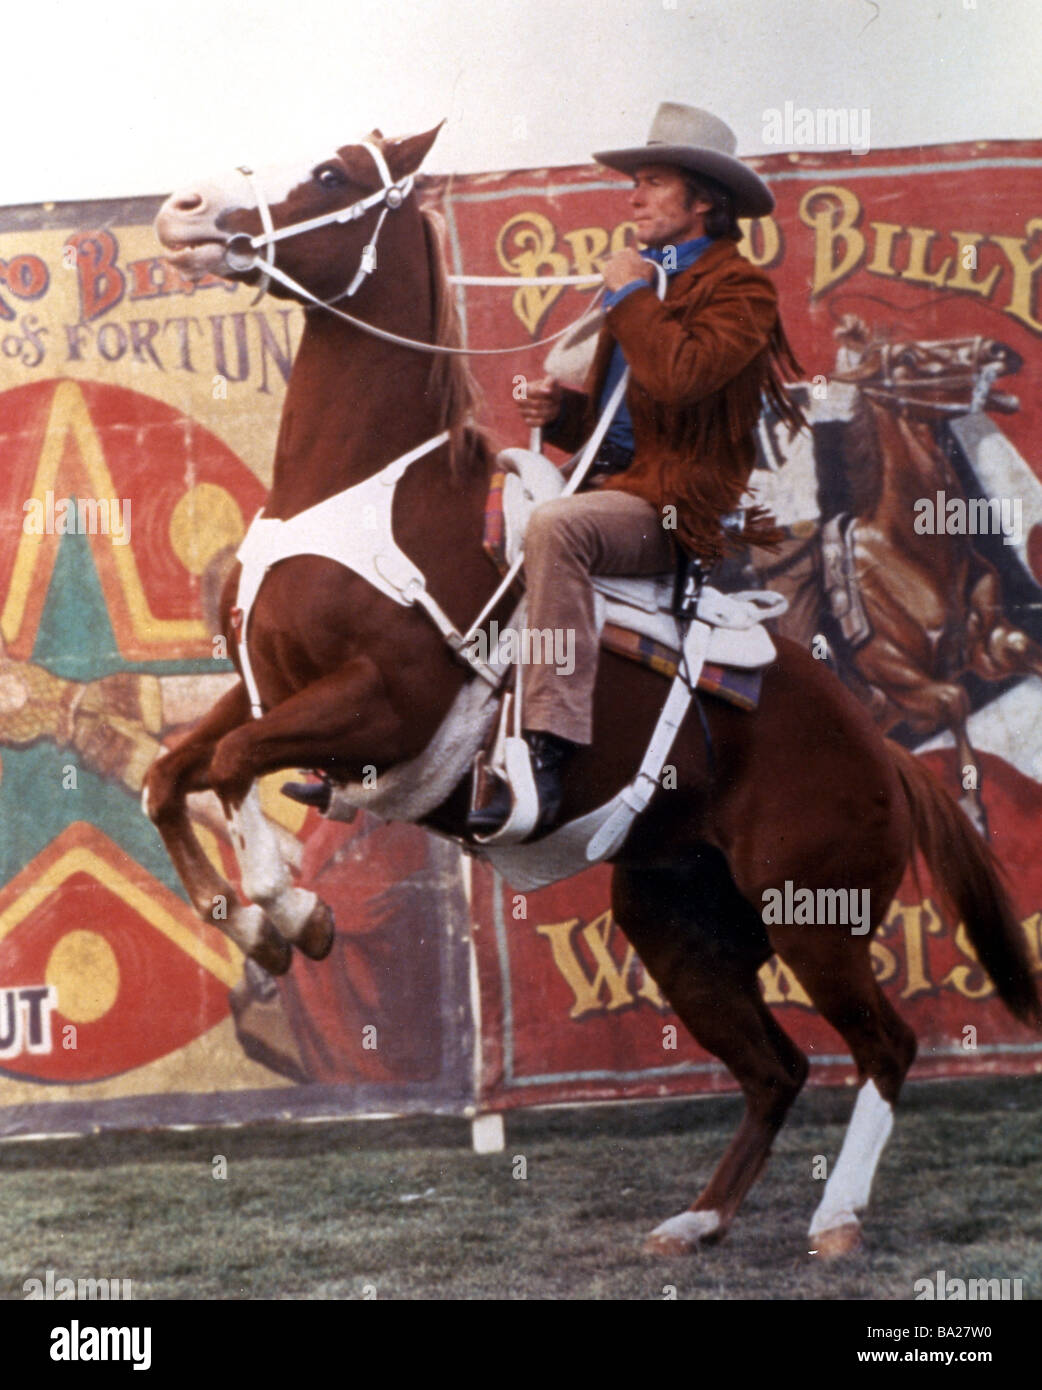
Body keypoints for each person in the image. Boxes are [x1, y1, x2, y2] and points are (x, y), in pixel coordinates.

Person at [467, 103, 803, 837]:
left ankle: (548, 751)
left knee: (557, 529)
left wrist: (627, 293)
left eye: (651, 183)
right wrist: (562, 414)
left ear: (702, 200)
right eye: (635, 183)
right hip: (617, 485)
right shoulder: (648, 282)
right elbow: (629, 421)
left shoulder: (742, 291)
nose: (633, 199)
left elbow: (681, 379)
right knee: (475, 504)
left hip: (676, 509)